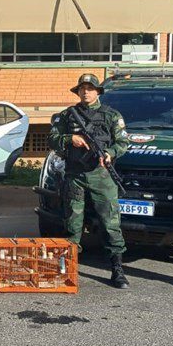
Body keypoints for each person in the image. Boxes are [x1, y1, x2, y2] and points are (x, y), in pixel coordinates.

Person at [48, 74, 130, 288]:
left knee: (110, 223)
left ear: (98, 91)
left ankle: (117, 269)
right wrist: (69, 139)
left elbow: (123, 142)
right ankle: (68, 269)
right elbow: (52, 139)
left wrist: (111, 152)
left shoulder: (111, 115)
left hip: (101, 176)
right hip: (75, 175)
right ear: (78, 91)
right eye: (82, 88)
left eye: (90, 88)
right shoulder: (67, 115)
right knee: (72, 224)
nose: (86, 92)